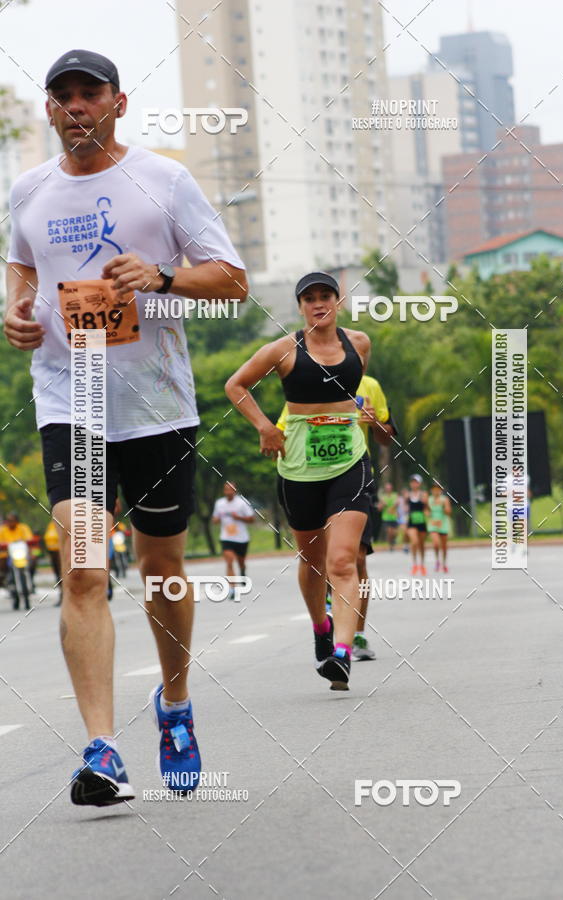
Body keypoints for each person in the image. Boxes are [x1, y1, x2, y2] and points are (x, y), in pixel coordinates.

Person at [4, 50, 247, 806]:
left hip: (156, 409)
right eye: (64, 96)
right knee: (82, 568)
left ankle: (174, 703)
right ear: (49, 109)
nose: (77, 106)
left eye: (91, 93)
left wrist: (161, 278)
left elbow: (232, 282)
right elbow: (23, 266)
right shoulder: (27, 189)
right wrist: (15, 309)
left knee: (161, 567)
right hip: (69, 401)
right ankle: (103, 749)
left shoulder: (163, 180)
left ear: (118, 102)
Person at [226, 272, 371, 691]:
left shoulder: (359, 343)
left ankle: (341, 653)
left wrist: (350, 417)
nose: (318, 303)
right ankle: (321, 627)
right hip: (299, 468)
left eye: (326, 295)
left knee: (342, 562)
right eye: (310, 298)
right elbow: (235, 385)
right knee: (312, 561)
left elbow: (350, 395)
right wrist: (265, 427)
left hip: (349, 462)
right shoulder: (283, 350)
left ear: (338, 301)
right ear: (300, 306)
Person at [277, 373, 396, 662]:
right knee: (322, 558)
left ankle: (356, 634)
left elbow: (387, 436)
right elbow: (282, 429)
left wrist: (376, 423)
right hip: (311, 479)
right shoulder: (307, 380)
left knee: (355, 559)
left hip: (353, 477)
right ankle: (327, 615)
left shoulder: (370, 385)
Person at [212, 481, 254, 598]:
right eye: (226, 489)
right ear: (224, 491)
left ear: (235, 490)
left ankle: (242, 571)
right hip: (226, 538)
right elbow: (214, 519)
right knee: (229, 562)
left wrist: (238, 517)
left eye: (231, 489)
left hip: (241, 538)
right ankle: (232, 588)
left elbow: (251, 519)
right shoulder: (219, 503)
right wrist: (217, 519)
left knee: (241, 562)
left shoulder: (242, 503)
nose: (228, 492)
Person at [406, 475, 429, 575]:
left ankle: (422, 565)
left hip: (421, 521)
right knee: (414, 541)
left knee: (421, 545)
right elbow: (404, 507)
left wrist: (427, 510)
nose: (414, 484)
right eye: (412, 482)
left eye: (416, 482)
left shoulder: (424, 494)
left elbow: (427, 508)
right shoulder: (408, 495)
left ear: (420, 483)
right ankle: (415, 564)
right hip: (411, 521)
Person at [427, 483, 452, 572]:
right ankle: (437, 560)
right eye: (434, 489)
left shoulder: (444, 500)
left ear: (441, 490)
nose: (436, 491)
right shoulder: (429, 499)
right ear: (431, 490)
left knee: (444, 546)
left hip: (443, 524)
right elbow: (426, 511)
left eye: (438, 489)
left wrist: (443, 506)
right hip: (433, 524)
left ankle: (444, 563)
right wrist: (427, 513)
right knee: (436, 543)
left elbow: (448, 512)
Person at [44, 518, 63, 606]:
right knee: (58, 574)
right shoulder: (52, 524)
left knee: (63, 574)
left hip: (62, 553)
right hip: (53, 553)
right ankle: (62, 595)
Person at [378, 482, 400, 551]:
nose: (388, 489)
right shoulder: (383, 497)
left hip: (394, 517)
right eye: (387, 488)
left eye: (389, 488)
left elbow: (397, 503)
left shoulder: (395, 495)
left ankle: (393, 541)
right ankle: (390, 545)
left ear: (391, 489)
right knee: (389, 531)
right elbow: (379, 509)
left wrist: (392, 507)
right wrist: (382, 504)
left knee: (395, 533)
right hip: (386, 518)